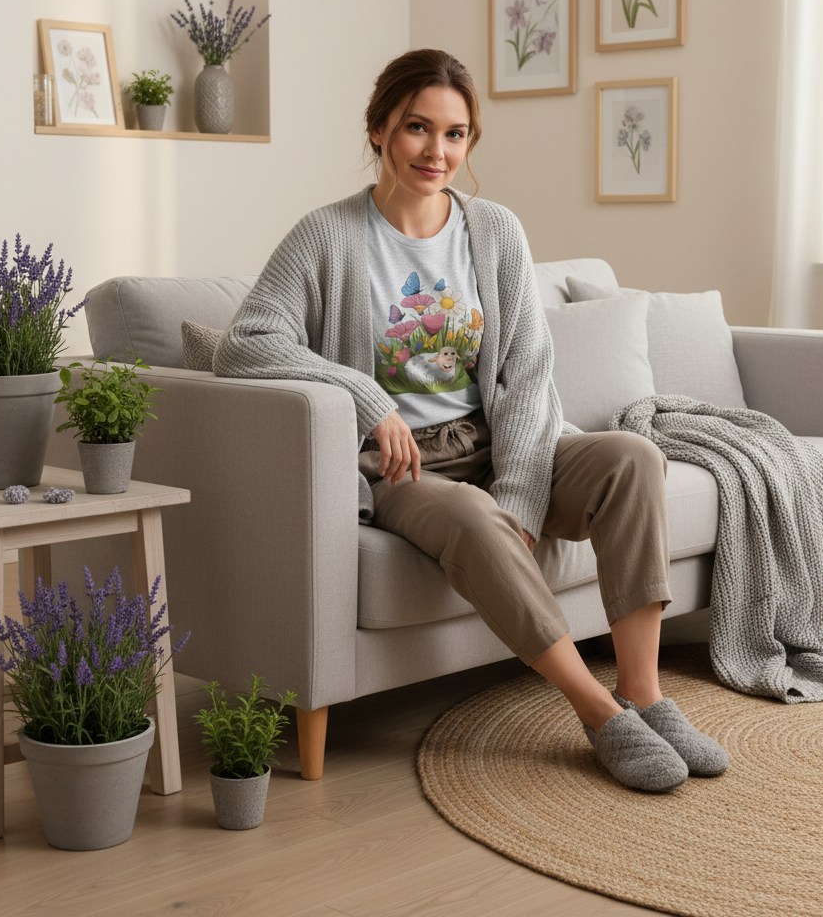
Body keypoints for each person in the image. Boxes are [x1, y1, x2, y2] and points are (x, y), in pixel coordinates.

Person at [215, 49, 726, 791]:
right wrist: (369, 399)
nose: (437, 151)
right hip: (402, 468)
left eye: (455, 134)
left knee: (634, 459)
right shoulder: (326, 236)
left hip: (497, 445)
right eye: (418, 128)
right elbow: (245, 343)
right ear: (379, 129)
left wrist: (520, 493)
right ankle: (596, 711)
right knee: (475, 518)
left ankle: (642, 695)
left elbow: (526, 373)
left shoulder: (494, 231)